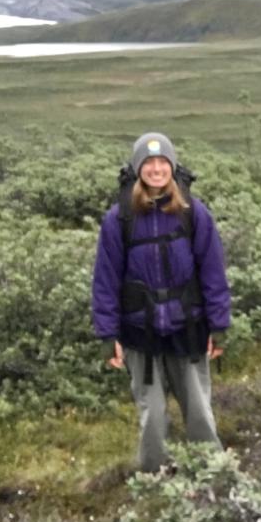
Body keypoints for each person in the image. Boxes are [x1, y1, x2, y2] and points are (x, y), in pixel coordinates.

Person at [91, 132, 231, 473]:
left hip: (189, 327)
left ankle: (213, 475)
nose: (156, 169)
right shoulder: (118, 219)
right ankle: (154, 480)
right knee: (152, 415)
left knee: (199, 411)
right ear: (138, 169)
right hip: (141, 333)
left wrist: (220, 325)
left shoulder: (193, 213)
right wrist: (108, 336)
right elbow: (105, 281)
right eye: (148, 163)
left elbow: (213, 272)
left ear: (172, 167)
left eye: (162, 162)